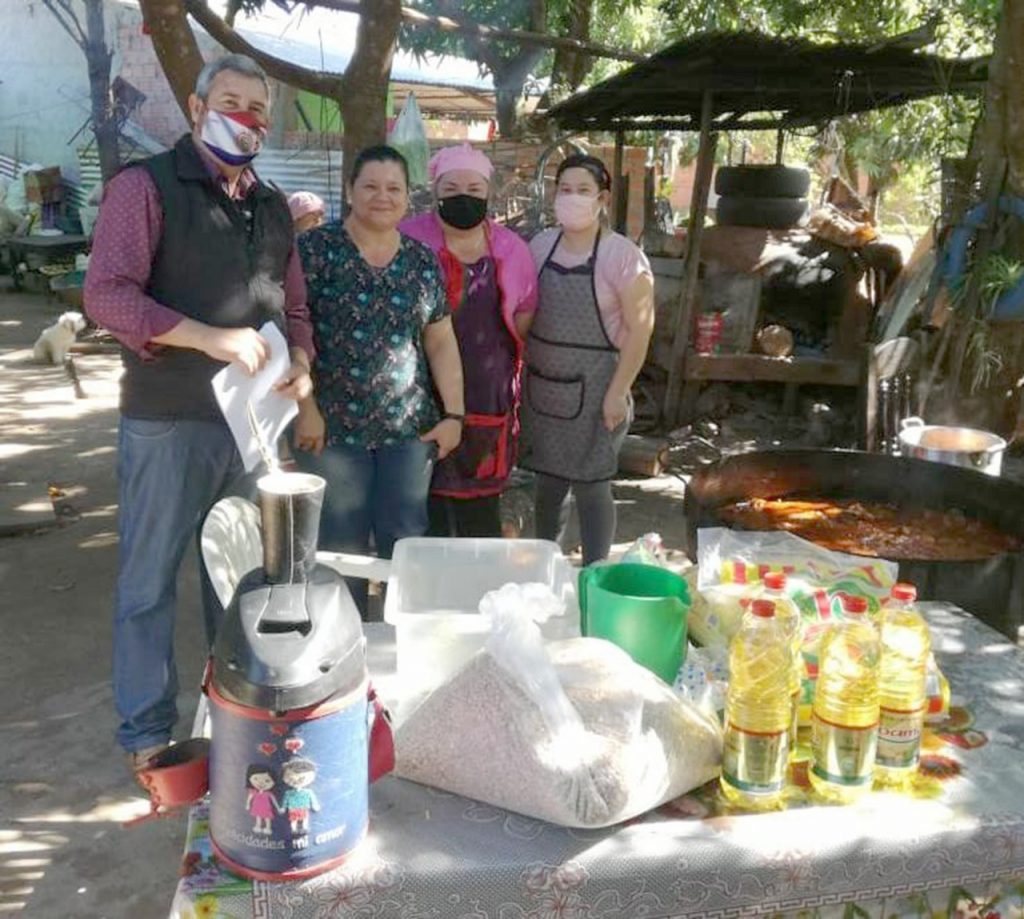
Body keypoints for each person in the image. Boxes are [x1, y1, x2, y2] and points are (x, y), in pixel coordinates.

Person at [83, 54, 315, 773]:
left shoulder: (270, 206)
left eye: (258, 109)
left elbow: (295, 307)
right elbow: (107, 294)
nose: (245, 118)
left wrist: (301, 364)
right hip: (170, 419)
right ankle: (148, 734)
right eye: (230, 101)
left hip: (253, 429)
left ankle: (235, 715)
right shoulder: (145, 188)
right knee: (149, 580)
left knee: (241, 578)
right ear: (196, 107)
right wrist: (205, 336)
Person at [293, 145, 464, 614]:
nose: (382, 196)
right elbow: (291, 331)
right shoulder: (314, 251)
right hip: (330, 430)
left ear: (408, 197)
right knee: (338, 545)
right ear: (350, 191)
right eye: (370, 186)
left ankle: (401, 637)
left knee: (406, 541)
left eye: (394, 188)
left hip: (408, 431)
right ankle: (343, 640)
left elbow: (440, 341)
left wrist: (454, 415)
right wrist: (304, 408)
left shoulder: (422, 261)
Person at [521, 154, 655, 565]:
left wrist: (618, 392)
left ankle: (595, 572)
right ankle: (546, 565)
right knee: (548, 482)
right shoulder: (540, 246)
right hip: (544, 387)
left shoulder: (623, 256)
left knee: (592, 483)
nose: (572, 198)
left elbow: (641, 330)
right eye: (565, 190)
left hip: (599, 388)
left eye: (583, 190)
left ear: (603, 198)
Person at [401, 144, 537, 537]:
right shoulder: (408, 238)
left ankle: (481, 573)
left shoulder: (511, 248)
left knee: (481, 508)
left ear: (489, 193)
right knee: (422, 502)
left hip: (486, 394)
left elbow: (524, 313)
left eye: (474, 189)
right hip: (419, 392)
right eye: (452, 188)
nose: (464, 196)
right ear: (435, 190)